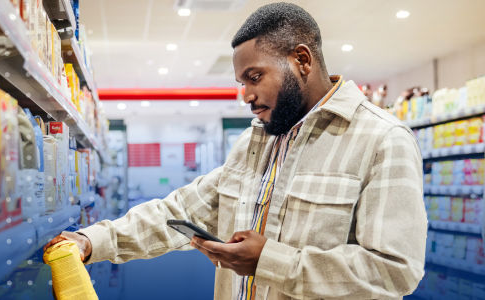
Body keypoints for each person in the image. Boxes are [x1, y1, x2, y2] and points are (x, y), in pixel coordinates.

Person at [44, 3, 427, 299]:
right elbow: (179, 211)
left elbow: (395, 271)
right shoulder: (255, 143)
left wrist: (269, 261)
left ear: (302, 60)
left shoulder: (382, 140)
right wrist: (92, 240)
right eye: (240, 81)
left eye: (254, 77)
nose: (245, 95)